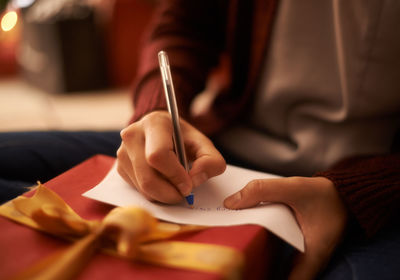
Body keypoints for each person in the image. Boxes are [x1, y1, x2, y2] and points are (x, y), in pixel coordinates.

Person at [0, 0, 399, 279]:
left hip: (376, 191)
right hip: (220, 146)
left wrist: (353, 194)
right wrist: (155, 110)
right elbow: (182, 25)